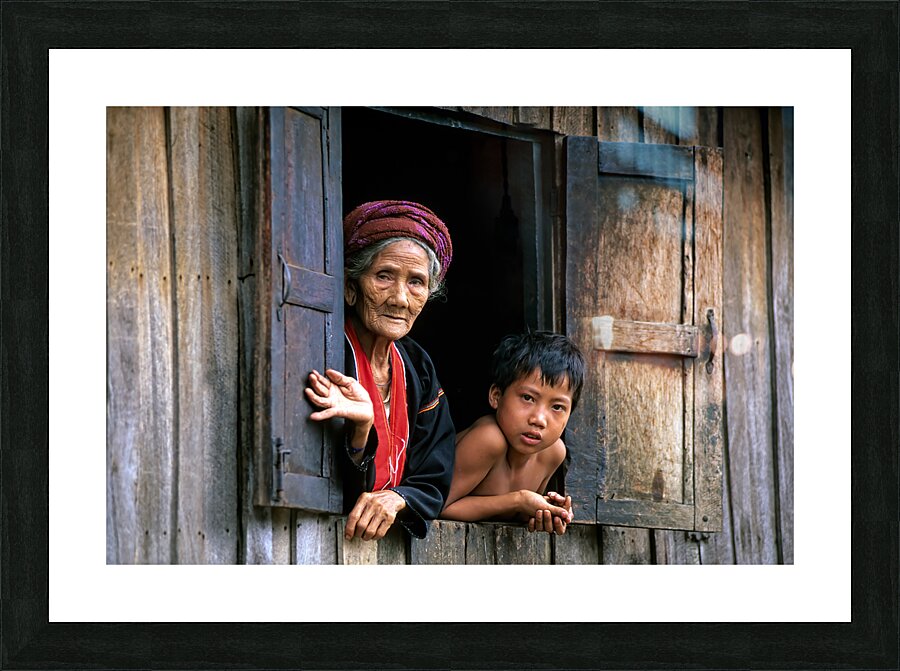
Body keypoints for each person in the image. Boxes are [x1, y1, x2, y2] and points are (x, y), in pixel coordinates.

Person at [304, 200, 456, 542]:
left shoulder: (418, 367)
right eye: (384, 276)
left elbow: (435, 474)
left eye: (416, 282)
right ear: (350, 287)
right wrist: (360, 434)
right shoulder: (322, 351)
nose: (400, 298)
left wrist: (399, 497)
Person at [441, 331, 585, 535]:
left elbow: (514, 514)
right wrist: (518, 500)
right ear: (496, 396)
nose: (539, 419)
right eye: (528, 398)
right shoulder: (488, 439)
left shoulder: (553, 454)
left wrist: (545, 511)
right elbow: (439, 506)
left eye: (557, 407)